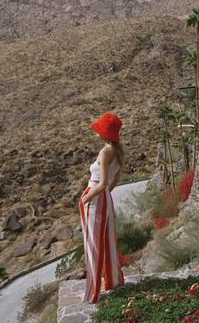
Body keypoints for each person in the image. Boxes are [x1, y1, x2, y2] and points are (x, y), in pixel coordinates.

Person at [79, 112, 125, 303]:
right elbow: (113, 180)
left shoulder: (106, 151)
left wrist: (86, 198)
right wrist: (105, 194)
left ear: (105, 132)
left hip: (96, 197)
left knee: (92, 245)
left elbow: (103, 182)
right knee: (108, 241)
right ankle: (114, 281)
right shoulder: (118, 152)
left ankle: (92, 293)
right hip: (105, 198)